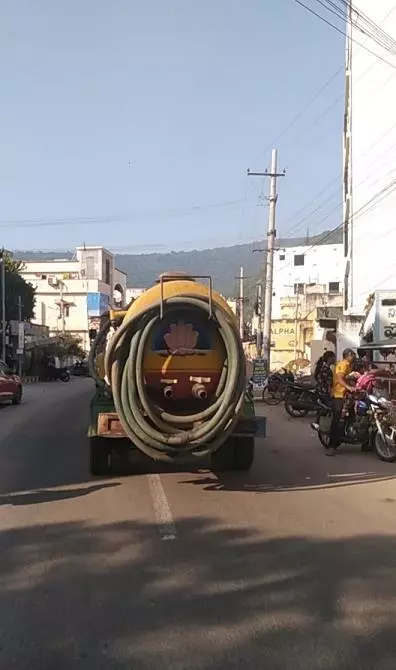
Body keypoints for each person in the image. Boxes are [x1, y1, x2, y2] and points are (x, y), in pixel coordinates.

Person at [326, 348, 356, 457]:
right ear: (348, 355)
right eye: (353, 355)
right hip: (338, 395)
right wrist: (348, 386)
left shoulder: (350, 365)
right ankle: (331, 446)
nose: (354, 356)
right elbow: (339, 378)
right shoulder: (342, 364)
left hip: (347, 395)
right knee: (337, 419)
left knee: (353, 417)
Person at [311, 351, 336, 431]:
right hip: (324, 392)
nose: (335, 359)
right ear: (330, 358)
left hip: (321, 391)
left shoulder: (323, 367)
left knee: (324, 408)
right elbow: (328, 384)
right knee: (331, 408)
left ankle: (318, 422)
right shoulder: (325, 369)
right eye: (333, 357)